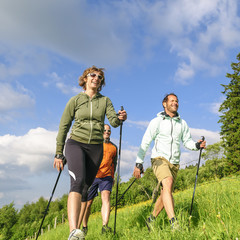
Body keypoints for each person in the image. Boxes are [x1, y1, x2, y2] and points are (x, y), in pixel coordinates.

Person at [53, 66, 127, 240]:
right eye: (92, 75)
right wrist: (58, 152)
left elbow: (114, 122)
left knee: (86, 189)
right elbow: (64, 126)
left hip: (96, 147)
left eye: (100, 77)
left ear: (101, 82)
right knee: (77, 182)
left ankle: (79, 232)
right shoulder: (75, 100)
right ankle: (73, 231)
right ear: (85, 79)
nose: (96, 78)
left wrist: (121, 117)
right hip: (75, 143)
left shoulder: (105, 101)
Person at [133, 93, 206, 230]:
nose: (175, 103)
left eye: (177, 101)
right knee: (168, 182)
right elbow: (146, 141)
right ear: (164, 104)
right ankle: (174, 222)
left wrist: (197, 145)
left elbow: (187, 141)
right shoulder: (156, 122)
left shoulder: (182, 123)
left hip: (175, 162)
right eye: (172, 100)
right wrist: (139, 162)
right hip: (159, 159)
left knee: (165, 192)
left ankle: (151, 219)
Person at [78, 124, 117, 236]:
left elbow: (114, 163)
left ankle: (105, 226)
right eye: (104, 130)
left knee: (106, 197)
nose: (107, 132)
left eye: (108, 131)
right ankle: (84, 227)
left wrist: (113, 177)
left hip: (107, 176)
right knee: (88, 203)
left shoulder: (114, 147)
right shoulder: (94, 144)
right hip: (93, 176)